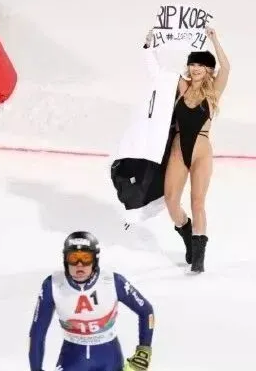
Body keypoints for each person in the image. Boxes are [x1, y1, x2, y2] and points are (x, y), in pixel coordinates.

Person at [144, 27, 230, 273]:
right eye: (193, 64)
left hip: (202, 151)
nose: (195, 68)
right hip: (178, 149)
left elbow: (226, 68)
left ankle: (198, 257)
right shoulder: (182, 87)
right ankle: (186, 232)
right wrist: (151, 46)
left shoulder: (213, 92)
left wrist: (214, 39)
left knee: (197, 201)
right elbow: (160, 71)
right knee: (171, 201)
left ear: (208, 69)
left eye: (201, 65)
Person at [28, 231, 154, 371]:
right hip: (72, 360)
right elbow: (37, 333)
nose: (79, 265)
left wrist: (144, 351)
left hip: (109, 360)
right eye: (73, 258)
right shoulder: (52, 285)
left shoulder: (113, 281)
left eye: (86, 258)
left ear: (95, 260)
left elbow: (146, 311)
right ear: (65, 260)